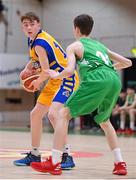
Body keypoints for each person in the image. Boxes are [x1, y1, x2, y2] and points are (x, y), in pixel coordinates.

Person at [30, 14, 132, 175]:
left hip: (96, 79)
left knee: (62, 114)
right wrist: (109, 68)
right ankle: (120, 163)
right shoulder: (101, 46)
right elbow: (128, 62)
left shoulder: (75, 46)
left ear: (76, 29)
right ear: (90, 29)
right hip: (114, 80)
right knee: (105, 122)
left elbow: (70, 70)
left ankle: (55, 162)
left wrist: (56, 75)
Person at [13, 12, 79, 169]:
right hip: (55, 79)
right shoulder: (33, 39)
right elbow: (36, 62)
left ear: (38, 24)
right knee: (35, 114)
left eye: (31, 24)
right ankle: (34, 154)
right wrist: (26, 70)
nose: (28, 27)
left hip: (66, 78)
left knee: (54, 115)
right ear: (22, 28)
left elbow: (44, 71)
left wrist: (36, 82)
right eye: (25, 25)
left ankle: (66, 155)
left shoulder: (40, 43)